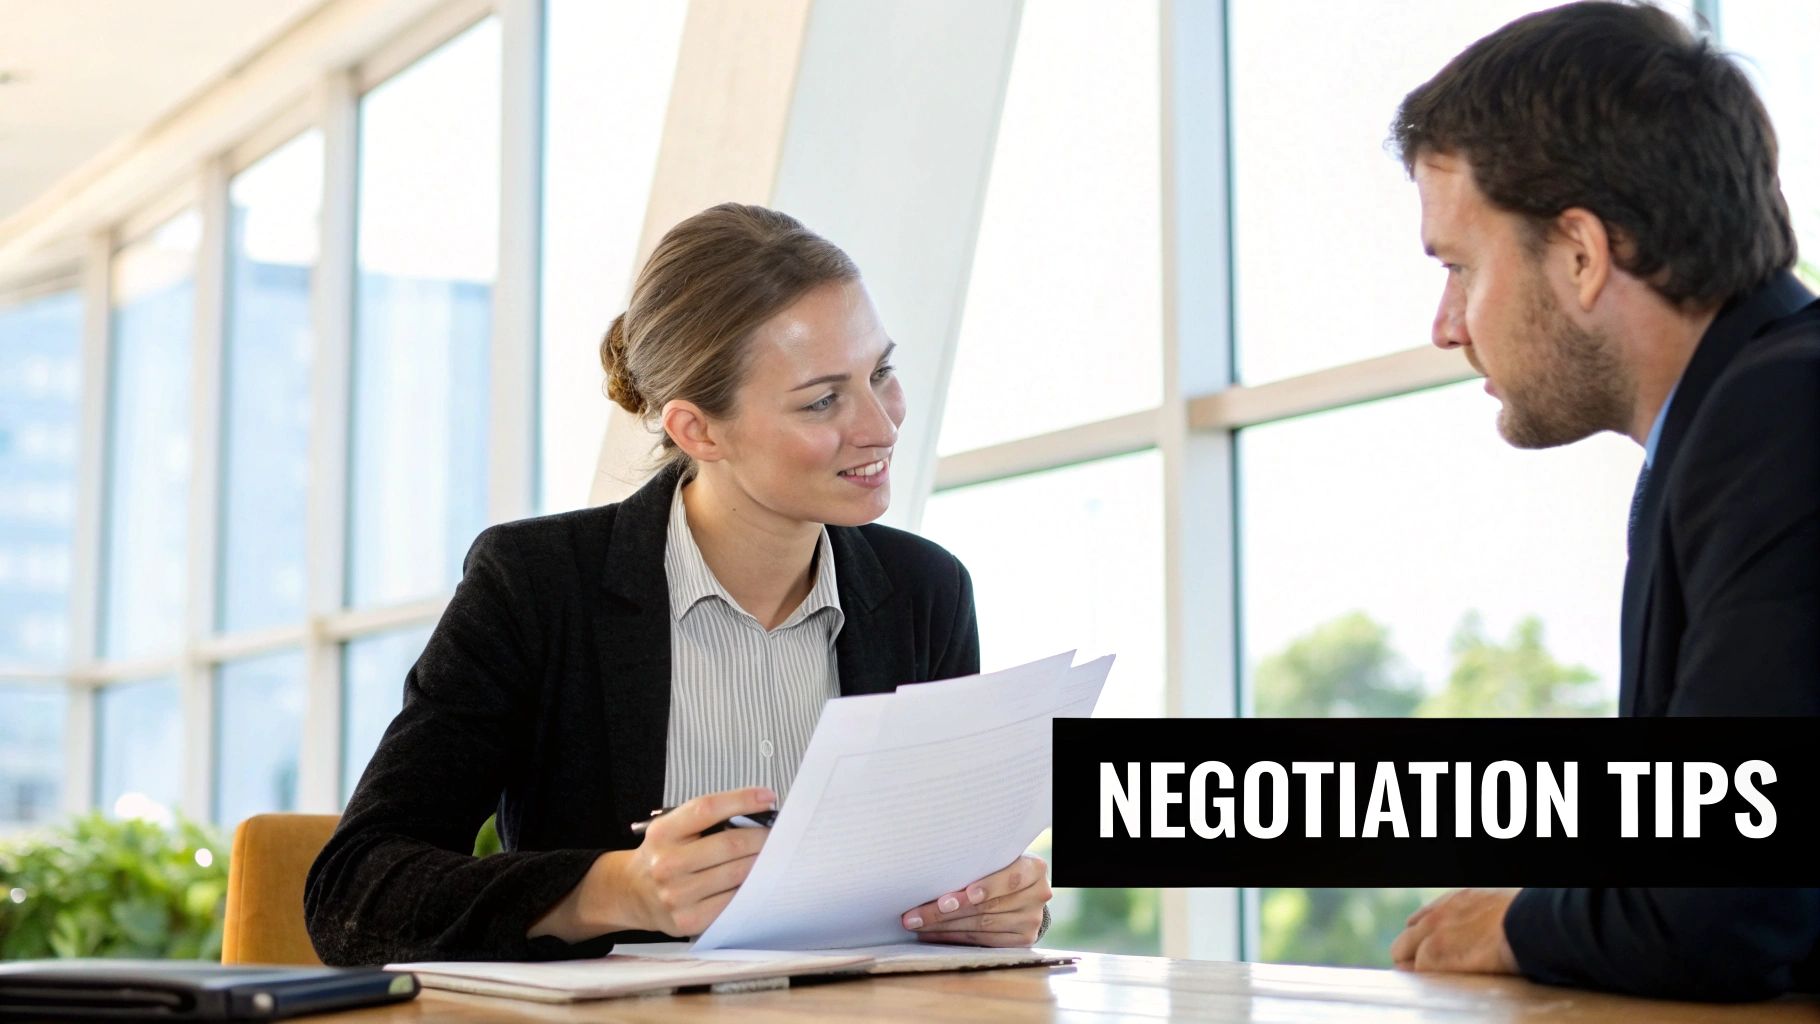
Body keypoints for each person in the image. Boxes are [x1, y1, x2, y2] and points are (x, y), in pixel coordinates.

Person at [305, 203, 1052, 964]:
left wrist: (992, 904)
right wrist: (616, 890)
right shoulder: (536, 586)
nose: (882, 425)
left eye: (881, 373)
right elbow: (353, 894)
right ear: (699, 430)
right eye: (823, 399)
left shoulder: (927, 592)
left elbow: (948, 874)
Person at [1382, 2, 1820, 1001]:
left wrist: (1517, 919)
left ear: (1578, 253)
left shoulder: (1778, 416)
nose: (1445, 325)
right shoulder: (1736, 419)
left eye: (1457, 266)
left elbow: (1719, 898)